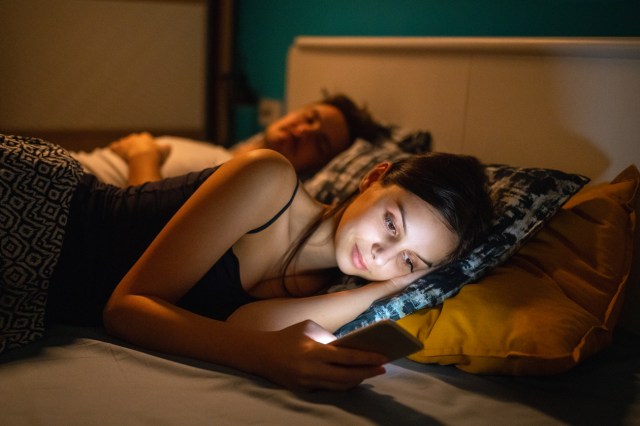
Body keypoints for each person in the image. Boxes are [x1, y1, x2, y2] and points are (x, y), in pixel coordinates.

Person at [0, 134, 492, 391]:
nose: (383, 254)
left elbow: (246, 324)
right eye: (391, 223)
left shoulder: (326, 290)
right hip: (40, 213)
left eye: (408, 259)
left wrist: (389, 289)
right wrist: (265, 356)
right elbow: (125, 309)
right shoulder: (269, 178)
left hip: (36, 293)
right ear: (373, 177)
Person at [72, 93, 393, 186]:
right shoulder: (223, 153)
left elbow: (142, 225)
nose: (305, 131)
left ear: (318, 166)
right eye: (310, 118)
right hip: (68, 166)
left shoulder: (246, 181)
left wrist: (141, 154)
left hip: (68, 193)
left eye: (319, 143)